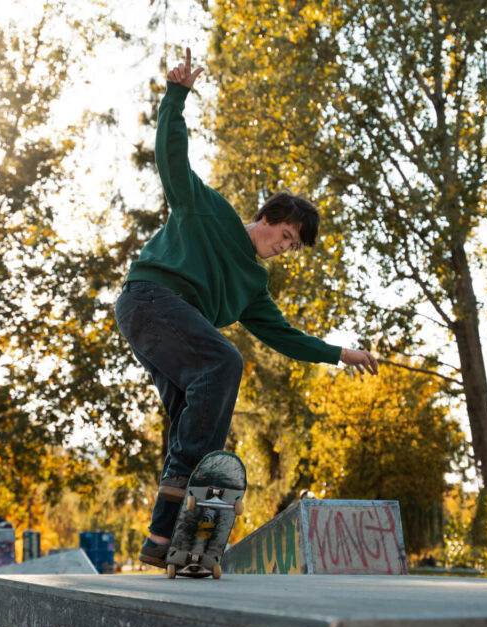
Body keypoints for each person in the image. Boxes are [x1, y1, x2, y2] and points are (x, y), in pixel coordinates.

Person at [115, 48, 379, 568]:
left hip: (171, 331)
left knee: (187, 415)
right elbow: (173, 159)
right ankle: (196, 476)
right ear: (266, 217)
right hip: (148, 300)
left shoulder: (253, 287)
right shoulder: (208, 210)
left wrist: (340, 354)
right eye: (284, 236)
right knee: (222, 361)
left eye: (292, 247)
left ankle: (163, 540)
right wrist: (176, 95)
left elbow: (283, 335)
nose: (284, 249)